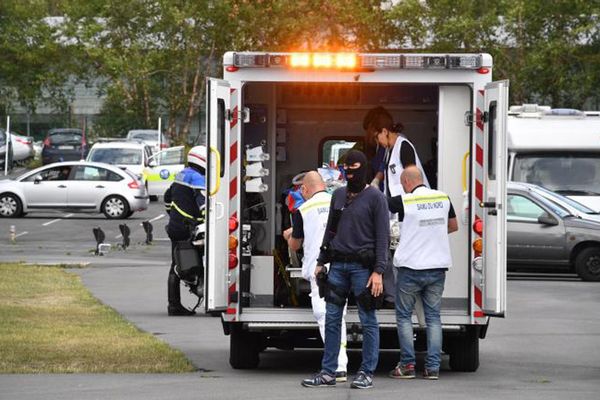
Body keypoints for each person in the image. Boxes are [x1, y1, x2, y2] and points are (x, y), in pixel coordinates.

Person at [301, 150, 389, 390]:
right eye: (346, 169)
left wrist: (379, 271)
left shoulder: (376, 198)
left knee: (368, 320)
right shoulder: (338, 195)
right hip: (337, 265)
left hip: (364, 268)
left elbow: (383, 238)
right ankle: (329, 372)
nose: (350, 173)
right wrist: (321, 260)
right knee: (331, 319)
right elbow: (331, 230)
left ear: (364, 168)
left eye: (355, 168)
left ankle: (366, 372)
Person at [387, 166, 458, 380]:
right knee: (434, 318)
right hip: (437, 268)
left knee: (404, 317)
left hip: (410, 269)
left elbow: (380, 210)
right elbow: (453, 226)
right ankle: (433, 368)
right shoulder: (443, 198)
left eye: (403, 184)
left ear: (407, 182)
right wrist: (431, 233)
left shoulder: (404, 201)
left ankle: (407, 366)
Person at [283, 171, 348, 382]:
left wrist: (288, 236)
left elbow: (296, 244)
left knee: (324, 317)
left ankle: (336, 366)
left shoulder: (303, 209)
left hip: (319, 270)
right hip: (342, 266)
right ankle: (341, 363)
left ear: (304, 189)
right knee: (339, 315)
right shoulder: (339, 203)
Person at [164, 145, 207, 316]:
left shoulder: (181, 174)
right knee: (199, 261)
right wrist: (207, 220)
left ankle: (173, 304)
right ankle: (202, 294)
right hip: (187, 227)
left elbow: (168, 197)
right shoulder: (197, 178)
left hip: (175, 225)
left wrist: (172, 213)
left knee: (176, 265)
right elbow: (203, 203)